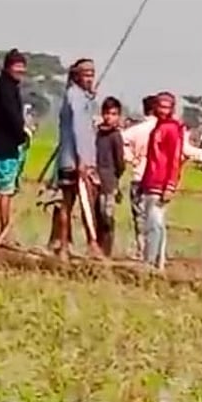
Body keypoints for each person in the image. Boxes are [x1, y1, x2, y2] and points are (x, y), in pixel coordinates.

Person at [51, 58, 100, 259]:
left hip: (66, 159)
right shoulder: (76, 97)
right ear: (77, 76)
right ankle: (92, 244)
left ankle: (63, 246)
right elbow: (79, 131)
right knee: (85, 204)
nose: (90, 78)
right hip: (78, 161)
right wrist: (82, 161)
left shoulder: (75, 96)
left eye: (92, 74)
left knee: (67, 203)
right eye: (86, 74)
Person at [0, 49, 30, 240]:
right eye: (17, 66)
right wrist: (22, 134)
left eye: (22, 67)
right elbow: (11, 116)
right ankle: (4, 230)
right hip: (5, 146)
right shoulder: (6, 87)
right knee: (4, 190)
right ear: (8, 67)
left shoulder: (5, 86)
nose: (20, 70)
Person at [140, 92, 184, 269]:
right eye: (160, 106)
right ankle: (158, 261)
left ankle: (151, 261)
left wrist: (170, 185)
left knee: (154, 223)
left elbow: (175, 158)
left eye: (167, 107)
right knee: (156, 222)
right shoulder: (158, 127)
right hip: (151, 180)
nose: (163, 110)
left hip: (161, 182)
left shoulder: (171, 129)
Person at [121, 96, 159, 260]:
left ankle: (141, 248)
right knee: (155, 217)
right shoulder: (163, 128)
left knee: (139, 215)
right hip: (157, 178)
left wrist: (130, 157)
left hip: (139, 175)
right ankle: (154, 251)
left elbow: (120, 140)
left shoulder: (137, 130)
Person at [93, 96, 126, 257]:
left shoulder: (116, 136)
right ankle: (97, 248)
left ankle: (107, 251)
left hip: (109, 182)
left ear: (118, 116)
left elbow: (120, 163)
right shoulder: (98, 134)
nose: (109, 117)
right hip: (94, 179)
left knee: (107, 216)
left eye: (113, 114)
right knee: (96, 215)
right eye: (107, 113)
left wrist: (114, 179)